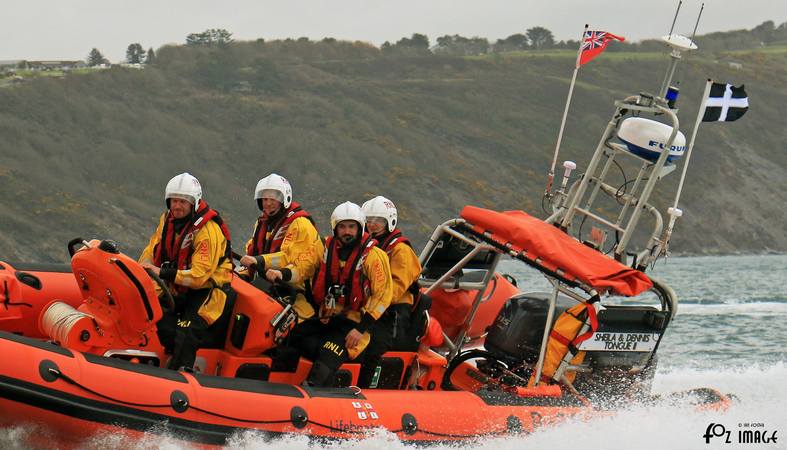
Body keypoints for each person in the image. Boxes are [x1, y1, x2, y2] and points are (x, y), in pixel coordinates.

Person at [288, 201, 392, 387]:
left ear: (360, 228)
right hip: (326, 318)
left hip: (354, 324)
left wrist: (360, 329)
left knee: (328, 353)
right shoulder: (324, 249)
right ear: (335, 229)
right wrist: (282, 273)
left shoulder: (374, 256)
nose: (347, 232)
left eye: (352, 227)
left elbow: (383, 295)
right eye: (342, 227)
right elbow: (303, 266)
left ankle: (312, 392)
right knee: (292, 337)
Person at [140, 172, 235, 371]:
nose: (177, 206)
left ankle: (181, 375)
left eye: (183, 202)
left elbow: (199, 276)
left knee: (187, 331)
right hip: (177, 283)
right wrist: (142, 271)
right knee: (148, 311)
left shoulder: (207, 230)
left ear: (194, 203)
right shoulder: (167, 219)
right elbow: (151, 250)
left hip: (208, 290)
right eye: (174, 200)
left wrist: (161, 273)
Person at [238, 173, 323, 321]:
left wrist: (258, 261)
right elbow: (253, 251)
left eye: (273, 199)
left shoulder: (300, 224)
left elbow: (288, 257)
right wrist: (244, 271)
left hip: (294, 291)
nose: (268, 203)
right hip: (265, 285)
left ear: (284, 199)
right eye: (264, 199)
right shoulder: (262, 223)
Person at [358, 196, 422, 388]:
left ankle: (364, 387)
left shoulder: (400, 250)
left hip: (393, 313)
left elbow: (393, 290)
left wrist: (365, 300)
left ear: (389, 222)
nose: (372, 224)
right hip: (369, 305)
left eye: (378, 220)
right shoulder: (363, 247)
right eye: (368, 220)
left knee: (373, 345)